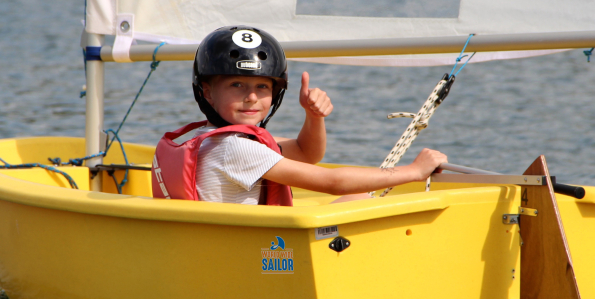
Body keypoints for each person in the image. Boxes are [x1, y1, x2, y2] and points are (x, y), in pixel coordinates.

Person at [151, 25, 447, 205]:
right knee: (359, 200)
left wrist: (313, 117)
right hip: (250, 254)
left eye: (262, 86)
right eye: (236, 84)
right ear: (207, 91)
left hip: (231, 244)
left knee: (359, 198)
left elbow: (307, 153)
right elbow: (332, 182)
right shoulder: (235, 148)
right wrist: (413, 171)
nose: (251, 96)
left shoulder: (208, 138)